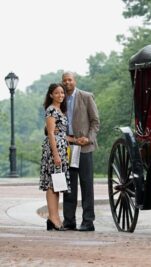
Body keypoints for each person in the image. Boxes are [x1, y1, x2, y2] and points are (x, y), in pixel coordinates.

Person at [62, 71, 100, 232]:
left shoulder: (86, 97)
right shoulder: (60, 99)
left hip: (84, 147)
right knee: (69, 185)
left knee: (86, 184)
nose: (67, 83)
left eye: (69, 80)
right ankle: (69, 221)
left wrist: (89, 138)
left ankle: (88, 221)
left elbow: (95, 121)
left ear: (75, 81)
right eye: (64, 81)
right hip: (67, 147)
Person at [40, 83, 74, 231]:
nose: (60, 95)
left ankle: (54, 218)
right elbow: (51, 134)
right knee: (52, 184)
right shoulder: (51, 111)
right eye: (57, 93)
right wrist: (55, 155)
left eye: (62, 93)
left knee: (57, 184)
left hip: (61, 149)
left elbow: (61, 134)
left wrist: (75, 140)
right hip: (54, 150)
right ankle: (53, 218)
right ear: (51, 95)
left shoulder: (60, 110)